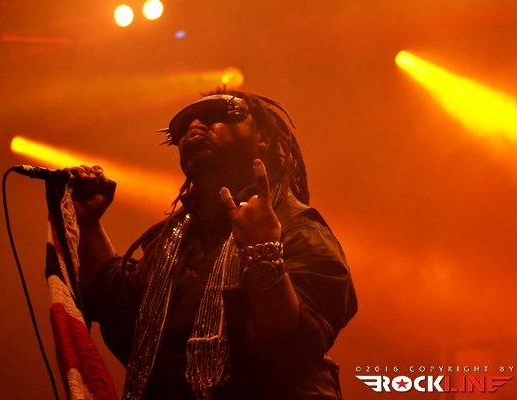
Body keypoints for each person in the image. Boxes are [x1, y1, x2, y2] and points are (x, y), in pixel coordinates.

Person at [67, 90, 358, 400]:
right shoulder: (171, 241)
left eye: (217, 114)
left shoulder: (299, 229)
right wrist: (87, 223)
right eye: (182, 126)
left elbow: (294, 348)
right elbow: (118, 310)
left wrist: (263, 254)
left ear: (267, 141)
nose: (194, 125)